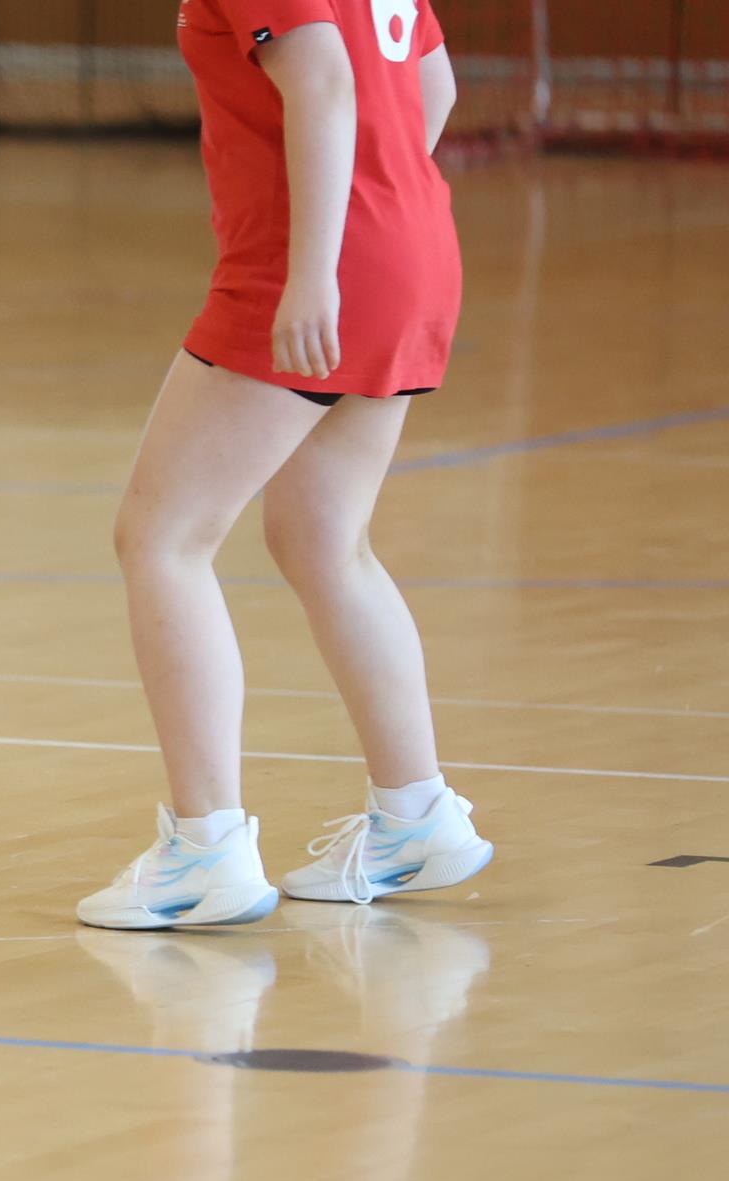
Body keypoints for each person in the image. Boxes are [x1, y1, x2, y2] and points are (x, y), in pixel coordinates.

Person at [77, 0, 493, 930]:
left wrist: (316, 269)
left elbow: (325, 79)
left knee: (162, 537)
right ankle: (417, 816)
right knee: (322, 539)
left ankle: (205, 850)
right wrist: (380, 206)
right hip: (412, 249)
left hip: (319, 266)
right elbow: (433, 85)